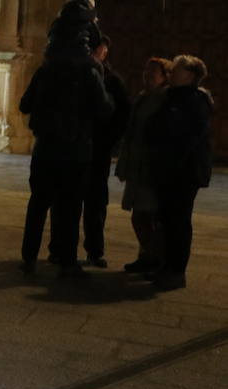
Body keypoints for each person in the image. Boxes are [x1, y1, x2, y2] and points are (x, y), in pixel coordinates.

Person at [17, 30, 113, 278]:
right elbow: (104, 109)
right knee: (70, 207)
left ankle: (29, 257)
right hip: (76, 151)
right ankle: (67, 261)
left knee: (38, 204)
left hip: (46, 149)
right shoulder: (90, 73)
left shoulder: (45, 72)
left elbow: (24, 104)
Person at [143, 55, 212, 292]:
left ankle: (176, 270)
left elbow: (190, 137)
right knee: (165, 219)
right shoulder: (171, 97)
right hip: (166, 169)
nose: (171, 72)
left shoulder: (196, 101)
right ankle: (165, 266)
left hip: (183, 172)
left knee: (179, 221)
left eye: (178, 70)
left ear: (191, 76)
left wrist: (172, 160)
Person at [115, 57, 171, 274]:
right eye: (146, 71)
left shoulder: (163, 100)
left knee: (146, 215)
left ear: (165, 77)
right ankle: (146, 256)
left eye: (153, 72)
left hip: (150, 167)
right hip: (137, 164)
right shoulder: (142, 98)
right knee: (141, 214)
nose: (147, 75)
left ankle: (155, 257)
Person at [82, 36, 131, 268]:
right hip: (76, 146)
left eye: (100, 49)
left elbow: (122, 114)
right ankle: (61, 251)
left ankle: (94, 250)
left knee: (95, 202)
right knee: (68, 202)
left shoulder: (111, 81)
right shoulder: (78, 75)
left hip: (98, 149)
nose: (97, 53)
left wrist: (109, 141)